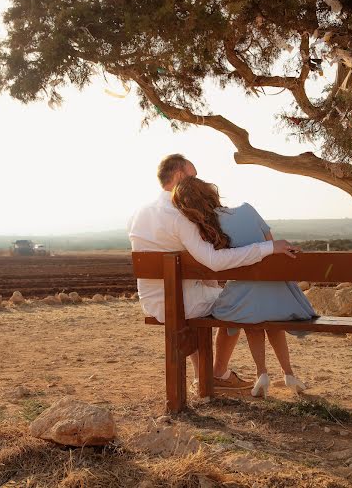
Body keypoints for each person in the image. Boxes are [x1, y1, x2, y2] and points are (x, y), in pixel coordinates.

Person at [128, 154, 300, 392]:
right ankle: (218, 372)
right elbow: (214, 261)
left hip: (153, 301)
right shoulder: (181, 215)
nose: (198, 180)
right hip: (182, 303)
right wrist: (269, 247)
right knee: (236, 302)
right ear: (179, 176)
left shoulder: (140, 212)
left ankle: (203, 375)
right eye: (194, 175)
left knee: (208, 291)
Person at [172, 176, 316, 398]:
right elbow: (271, 246)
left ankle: (262, 373)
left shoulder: (208, 229)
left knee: (249, 312)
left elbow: (219, 266)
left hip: (246, 301)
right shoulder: (248, 209)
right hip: (280, 295)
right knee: (267, 312)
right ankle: (288, 373)